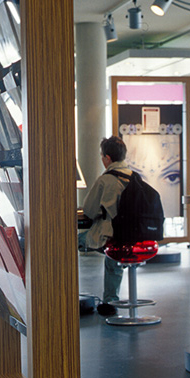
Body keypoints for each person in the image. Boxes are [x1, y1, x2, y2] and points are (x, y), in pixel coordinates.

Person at [80, 135, 133, 316]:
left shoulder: (106, 180)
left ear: (107, 158)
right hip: (131, 234)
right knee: (114, 257)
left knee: (71, 241)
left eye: (102, 156)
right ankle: (110, 300)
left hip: (108, 235)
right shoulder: (134, 177)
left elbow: (89, 210)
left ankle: (63, 293)